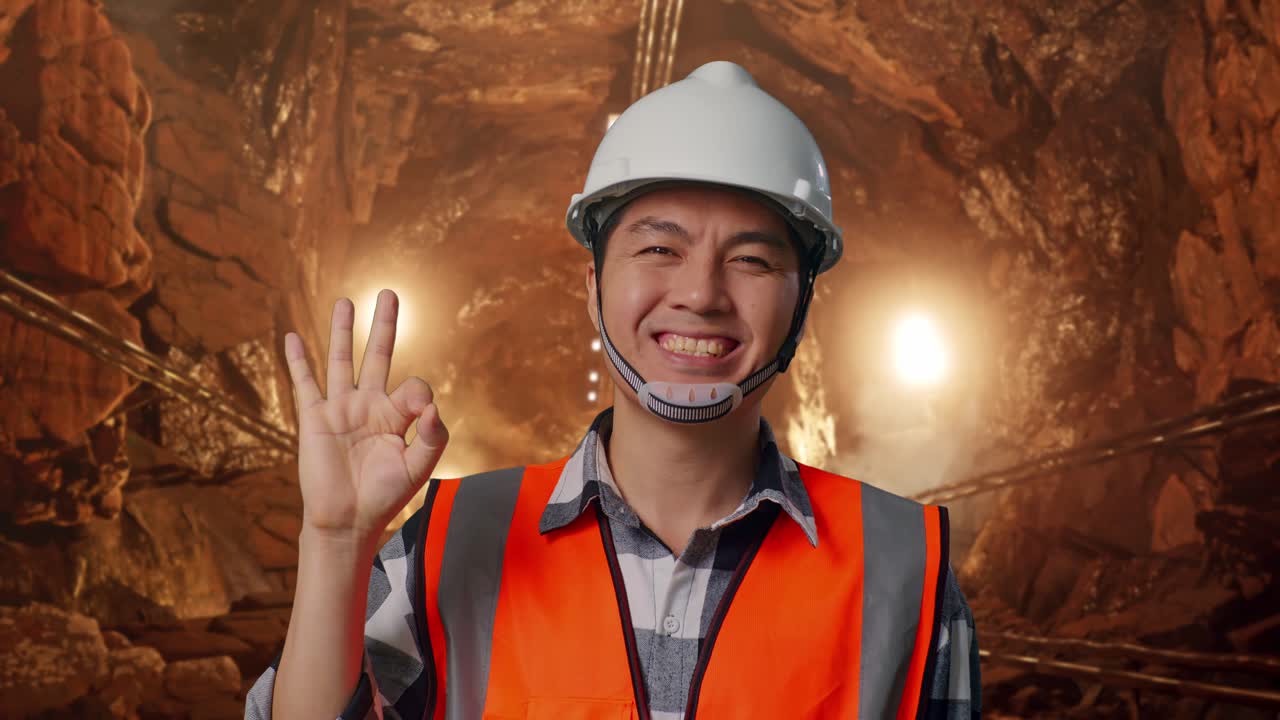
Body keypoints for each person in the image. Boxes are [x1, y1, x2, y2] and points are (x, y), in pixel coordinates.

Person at [246, 60, 980, 720]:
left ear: (803, 303)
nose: (700, 292)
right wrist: (335, 544)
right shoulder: (452, 541)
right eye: (660, 248)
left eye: (752, 260)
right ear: (592, 286)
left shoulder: (903, 568)